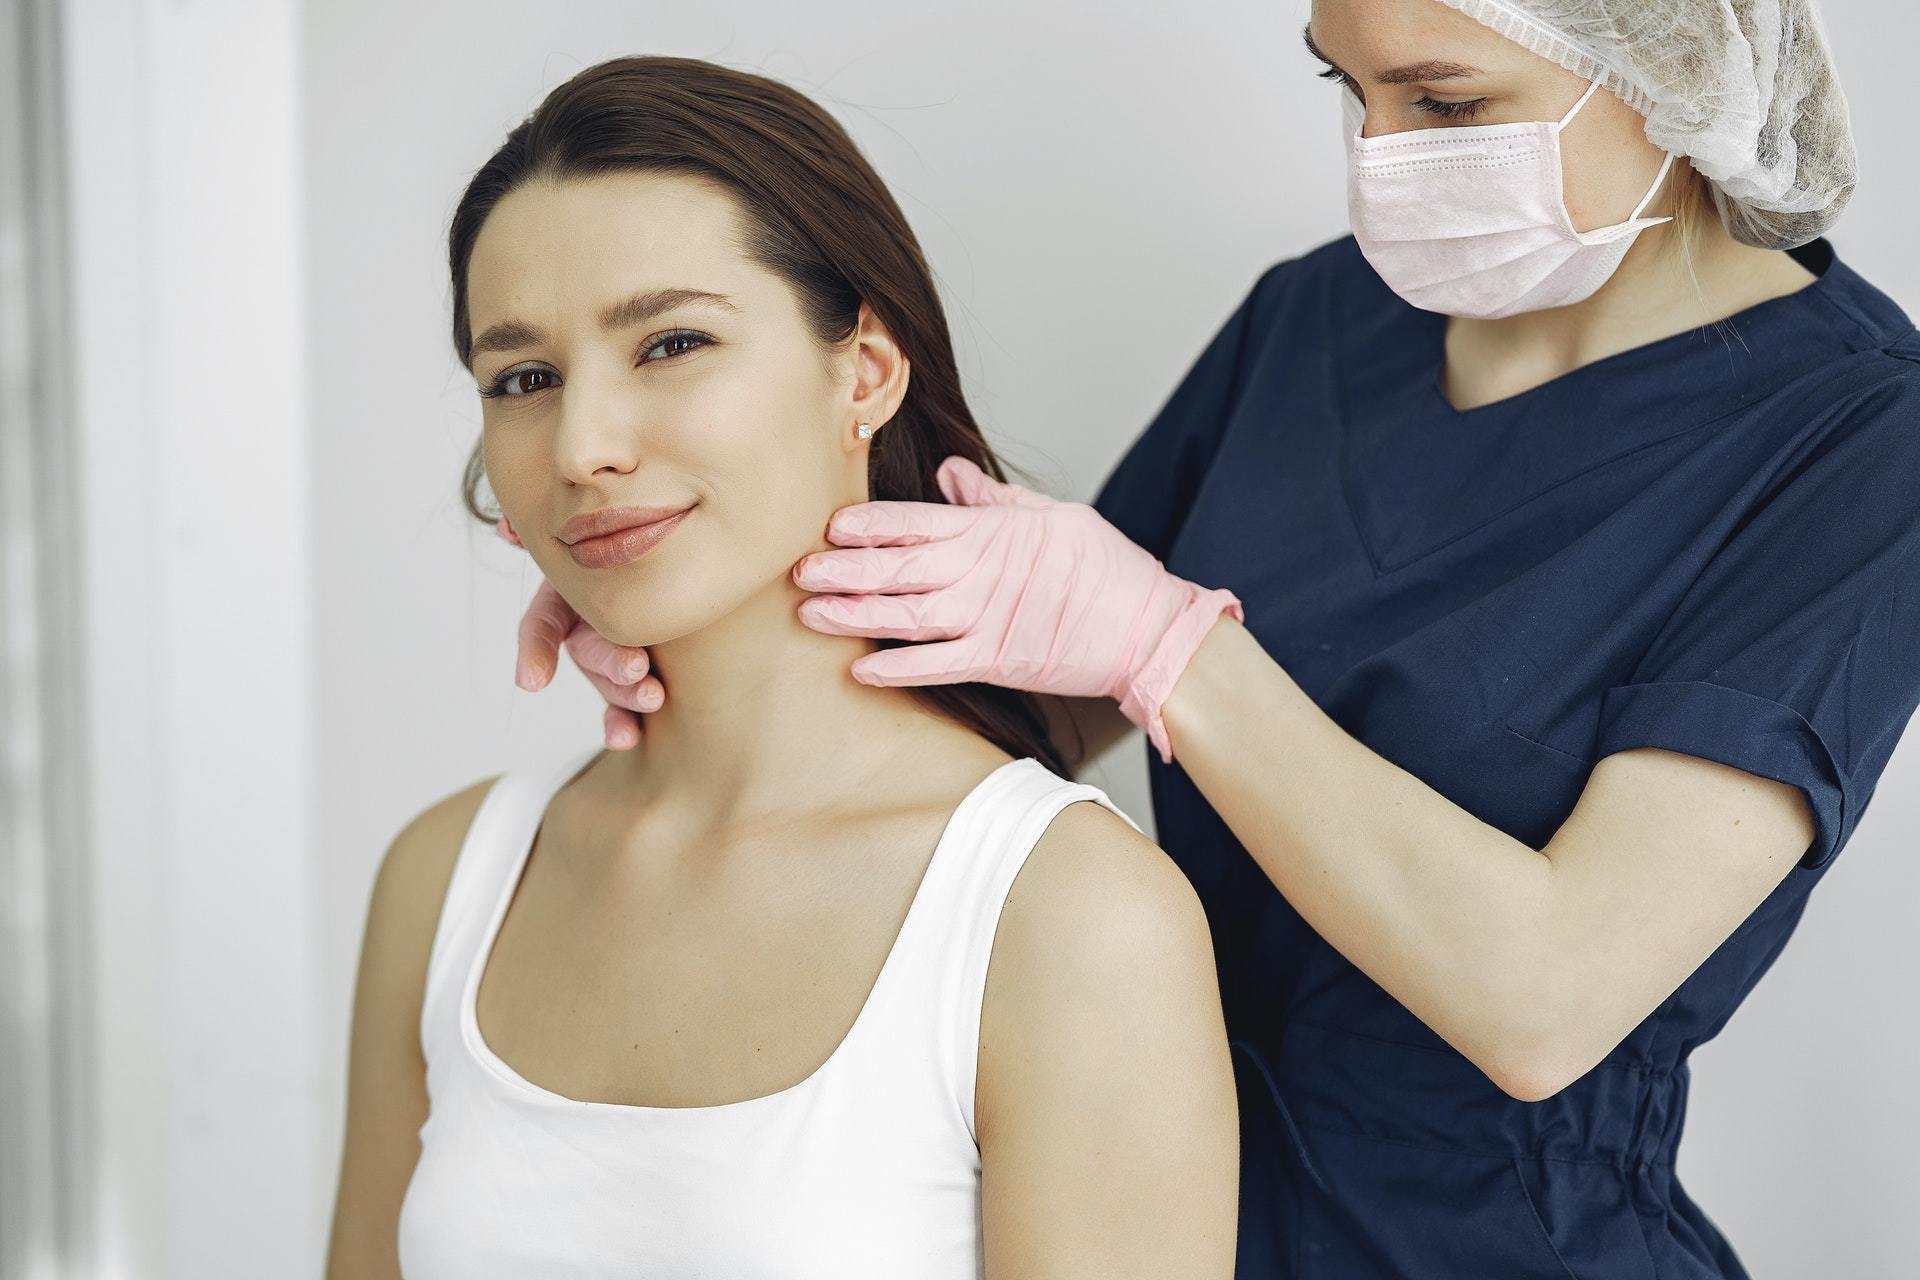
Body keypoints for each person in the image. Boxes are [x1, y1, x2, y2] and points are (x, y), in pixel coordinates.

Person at [516, 1, 1920, 1276]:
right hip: (1153, 1199)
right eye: (1345, 86)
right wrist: (707, 593)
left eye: (1441, 103)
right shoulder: (1317, 318)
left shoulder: (1856, 444)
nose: (1378, 154)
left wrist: (1175, 647)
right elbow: (1028, 708)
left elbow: (1541, 1001)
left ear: (1671, 72)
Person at [324, 55, 1241, 1280]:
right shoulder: (448, 882)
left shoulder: (1069, 915)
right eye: (525, 379)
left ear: (862, 372)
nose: (585, 448)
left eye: (672, 342)